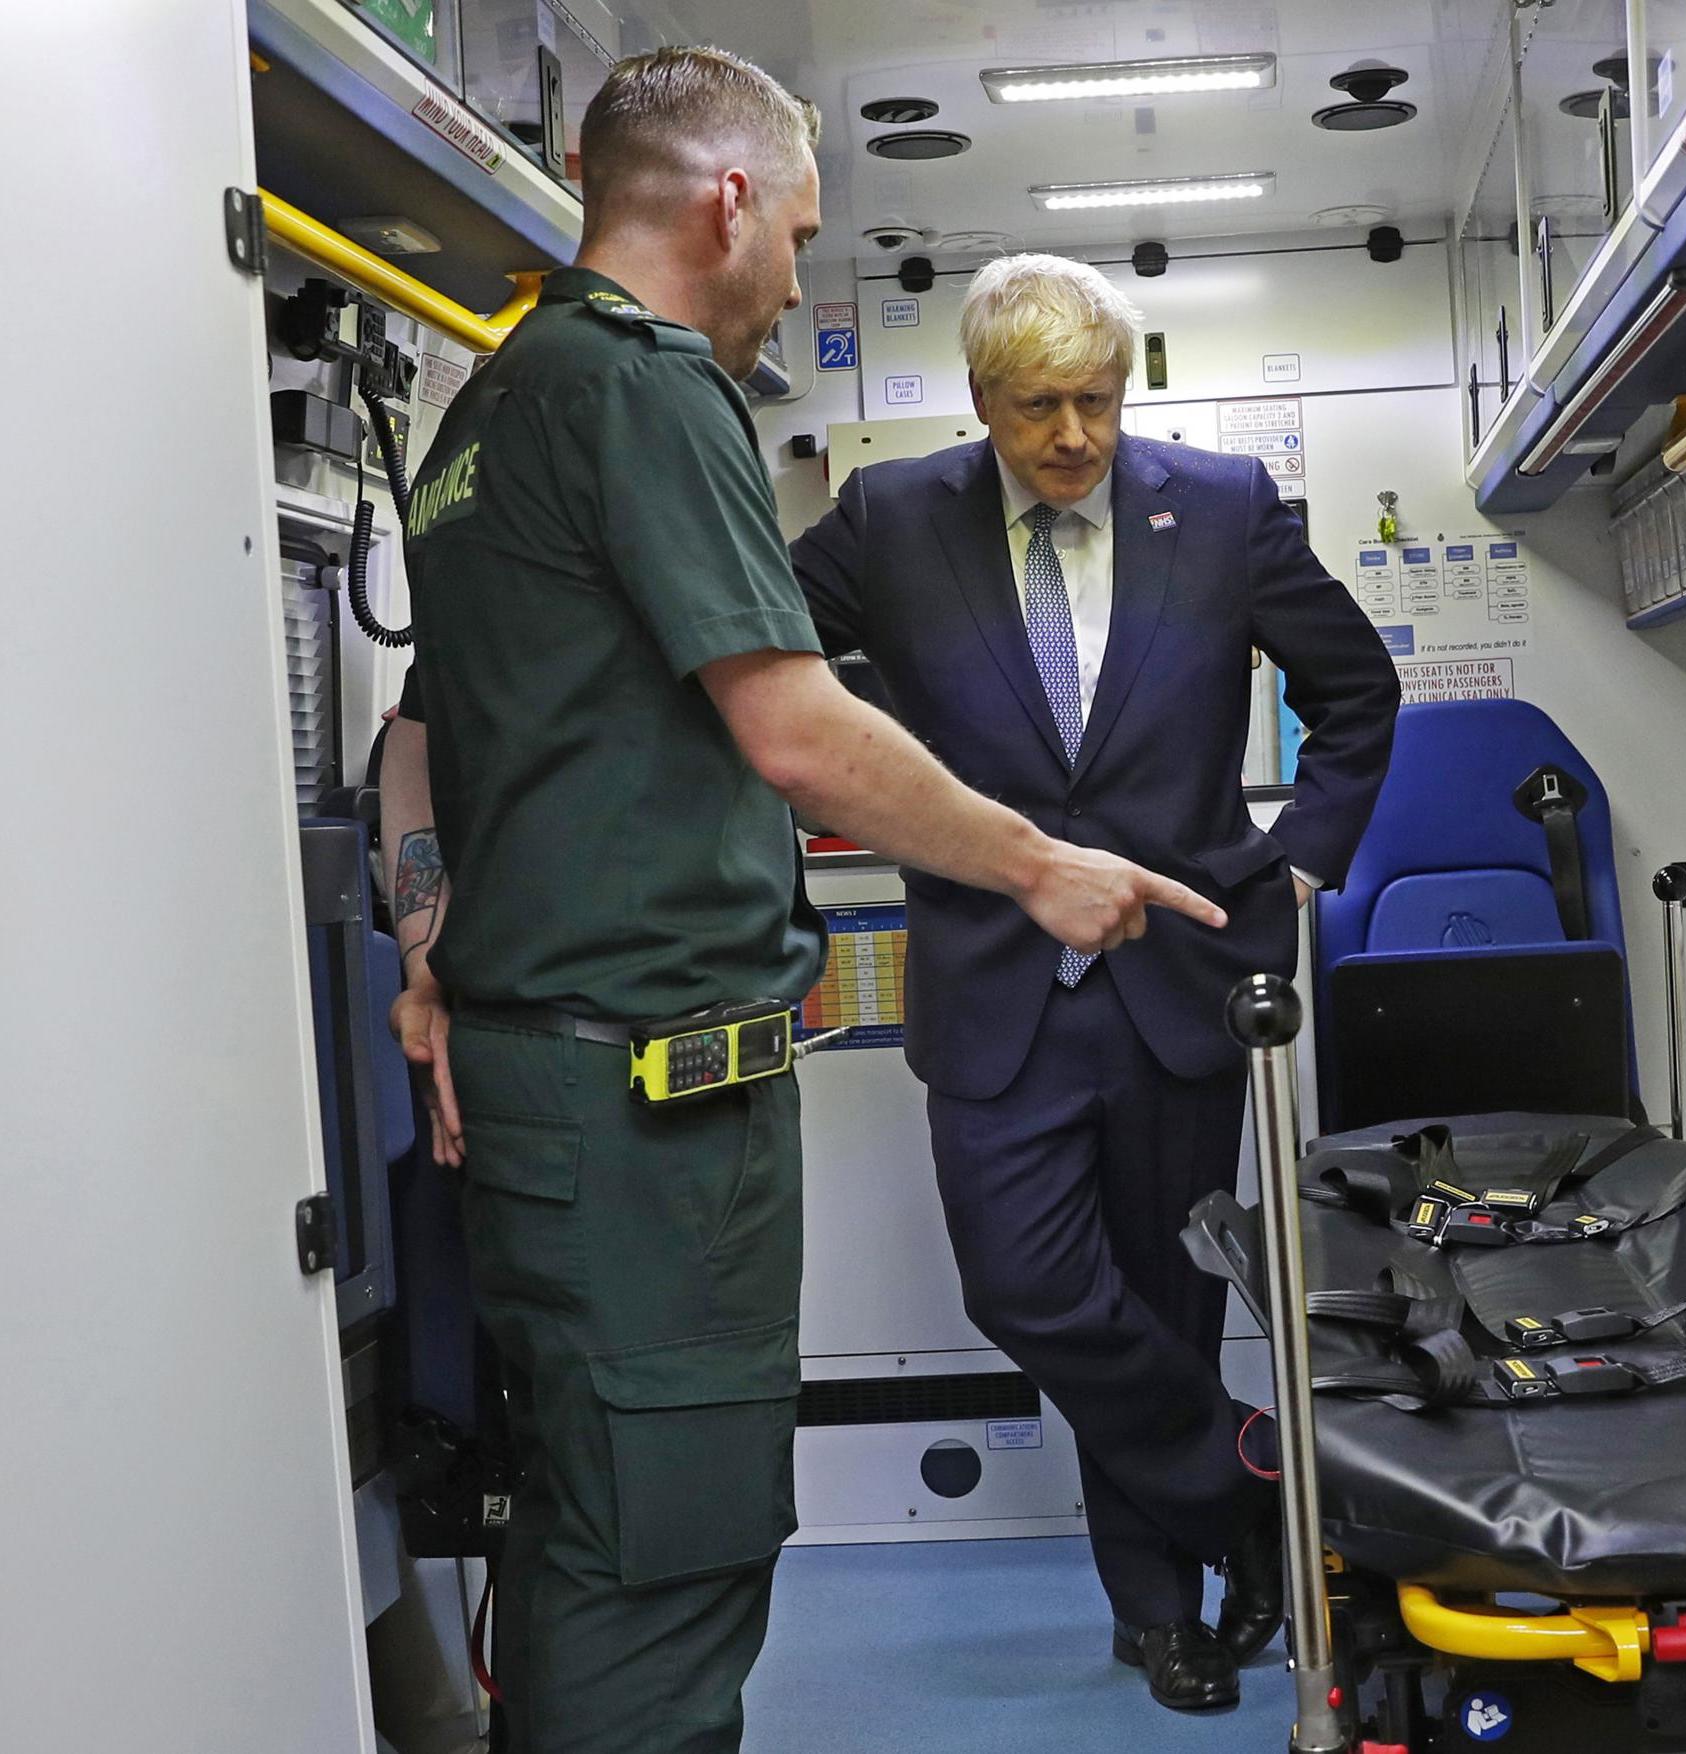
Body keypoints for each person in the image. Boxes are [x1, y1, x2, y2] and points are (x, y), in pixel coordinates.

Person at [380, 52, 1222, 1754]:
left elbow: (414, 739)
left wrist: (427, 964)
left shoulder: (490, 403)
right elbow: (796, 728)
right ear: (727, 202)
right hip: (645, 1105)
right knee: (669, 1559)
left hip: (543, 1077)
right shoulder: (646, 386)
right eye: (798, 234)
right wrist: (1042, 864)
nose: (794, 279)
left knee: (590, 1526)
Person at [790, 254, 1400, 1712]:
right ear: (980, 398)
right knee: (1028, 1287)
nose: (1072, 433)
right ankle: (1250, 1485)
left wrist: (1299, 865)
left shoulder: (1228, 507)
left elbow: (1354, 694)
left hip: (1177, 976)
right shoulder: (887, 517)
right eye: (1035, 405)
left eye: (1098, 399)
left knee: (1160, 1302)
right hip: (994, 984)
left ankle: (1161, 1613)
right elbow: (762, 670)